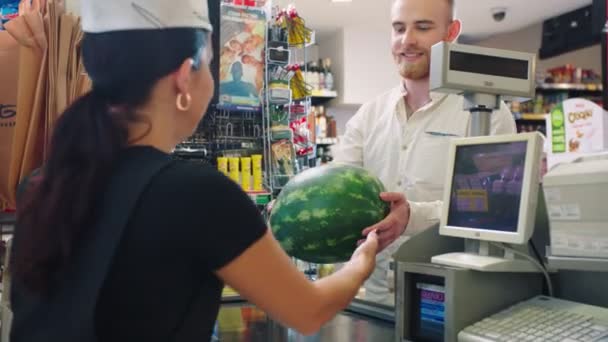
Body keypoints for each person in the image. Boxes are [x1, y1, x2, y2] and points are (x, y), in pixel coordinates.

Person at [9, 0, 379, 340]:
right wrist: (362, 262)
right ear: (186, 76)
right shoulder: (197, 194)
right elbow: (308, 310)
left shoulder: (41, 185)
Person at [333, 0, 517, 305]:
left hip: (449, 300)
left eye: (422, 27)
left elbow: (495, 206)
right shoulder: (369, 115)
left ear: (451, 32)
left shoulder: (487, 113)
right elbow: (337, 190)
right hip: (374, 300)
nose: (407, 40)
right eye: (399, 28)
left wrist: (413, 216)